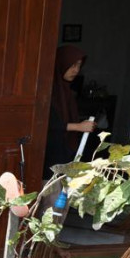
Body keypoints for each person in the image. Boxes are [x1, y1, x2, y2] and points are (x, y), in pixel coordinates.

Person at [43, 45, 97, 179]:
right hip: (48, 154)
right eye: (73, 65)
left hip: (62, 150)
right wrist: (78, 127)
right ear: (62, 63)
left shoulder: (66, 90)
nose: (76, 70)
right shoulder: (48, 90)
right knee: (50, 192)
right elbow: (47, 123)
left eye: (79, 66)